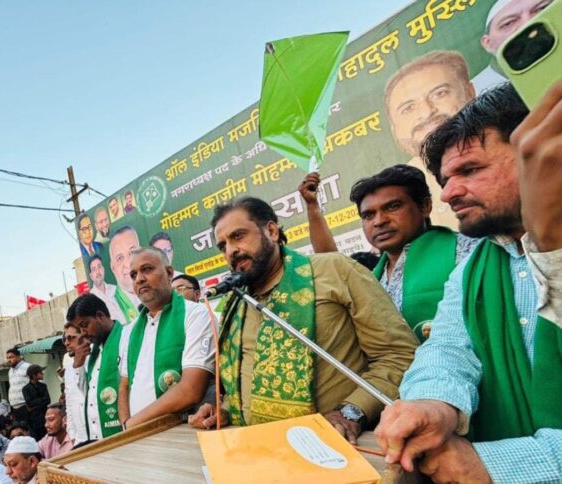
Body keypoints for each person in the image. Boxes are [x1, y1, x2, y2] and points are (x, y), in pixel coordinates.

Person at [375, 83, 562, 483]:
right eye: (446, 178)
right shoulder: (474, 268)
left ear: (543, 151)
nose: (450, 194)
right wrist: (433, 403)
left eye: (471, 170)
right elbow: (448, 347)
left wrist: (496, 464)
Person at [188, 197, 417, 444]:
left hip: (331, 445)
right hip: (253, 450)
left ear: (272, 231)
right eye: (222, 246)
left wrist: (351, 412)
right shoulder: (237, 302)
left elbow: (399, 355)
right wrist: (223, 409)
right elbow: (244, 379)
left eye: (239, 236)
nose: (231, 251)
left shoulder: (335, 270)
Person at [349, 165, 479, 341]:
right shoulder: (369, 279)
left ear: (425, 206)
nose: (379, 221)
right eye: (368, 215)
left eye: (393, 207)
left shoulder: (468, 251)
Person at [118, 247, 215, 429]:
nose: (139, 279)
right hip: (139, 436)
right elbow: (124, 385)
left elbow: (190, 390)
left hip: (182, 432)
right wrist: (125, 426)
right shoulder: (131, 330)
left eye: (147, 269)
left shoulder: (196, 314)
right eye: (133, 275)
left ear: (169, 272)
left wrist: (132, 424)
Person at [384, 51, 477, 228]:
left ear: (470, 92)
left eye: (440, 94)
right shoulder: (397, 190)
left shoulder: (517, 148)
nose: (427, 112)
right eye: (408, 108)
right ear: (394, 129)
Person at [65, 294, 126, 444]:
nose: (83, 332)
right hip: (96, 437)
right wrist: (78, 364)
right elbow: (84, 396)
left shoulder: (127, 337)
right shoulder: (92, 352)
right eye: (79, 328)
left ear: (100, 316)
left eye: (85, 325)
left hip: (125, 433)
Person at [473, 0, 555, 91]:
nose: (528, 23)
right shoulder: (477, 92)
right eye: (508, 23)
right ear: (488, 43)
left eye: (542, 9)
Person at [107, 226, 141, 325]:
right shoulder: (110, 311)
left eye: (132, 252)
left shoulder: (162, 292)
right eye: (120, 258)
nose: (128, 263)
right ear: (113, 267)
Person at [59, 323, 86, 445]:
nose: (66, 343)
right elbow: (69, 405)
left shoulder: (98, 362)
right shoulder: (69, 370)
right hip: (80, 439)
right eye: (65, 339)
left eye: (71, 338)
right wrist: (73, 435)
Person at [85, 256, 127, 325]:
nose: (98, 271)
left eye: (99, 267)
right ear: (91, 276)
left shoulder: (115, 289)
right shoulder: (90, 299)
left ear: (103, 269)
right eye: (94, 269)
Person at [21, 366, 50, 441]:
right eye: (40, 373)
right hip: (35, 420)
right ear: (34, 375)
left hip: (45, 416)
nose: (42, 374)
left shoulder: (43, 386)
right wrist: (42, 401)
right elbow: (29, 403)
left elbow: (48, 400)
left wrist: (34, 406)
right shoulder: (26, 389)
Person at [5, 349, 31, 426]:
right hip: (15, 408)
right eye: (7, 358)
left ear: (19, 357)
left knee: (30, 430)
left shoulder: (27, 367)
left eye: (11, 357)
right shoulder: (10, 371)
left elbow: (37, 383)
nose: (9, 360)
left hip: (26, 406)